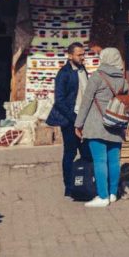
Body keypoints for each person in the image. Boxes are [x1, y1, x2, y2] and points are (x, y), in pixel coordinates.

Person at [75, 47, 127, 208]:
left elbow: (86, 101)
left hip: (96, 124)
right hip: (116, 124)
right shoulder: (122, 80)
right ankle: (112, 194)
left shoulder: (97, 76)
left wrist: (78, 124)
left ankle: (102, 196)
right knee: (113, 161)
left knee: (100, 161)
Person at [46, 42, 88, 197]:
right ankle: (69, 187)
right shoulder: (63, 73)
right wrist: (74, 118)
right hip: (70, 120)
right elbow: (59, 100)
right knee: (70, 153)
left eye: (83, 54)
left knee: (86, 152)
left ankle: (85, 183)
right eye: (79, 54)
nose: (82, 57)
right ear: (70, 56)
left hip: (84, 118)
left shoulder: (83, 70)